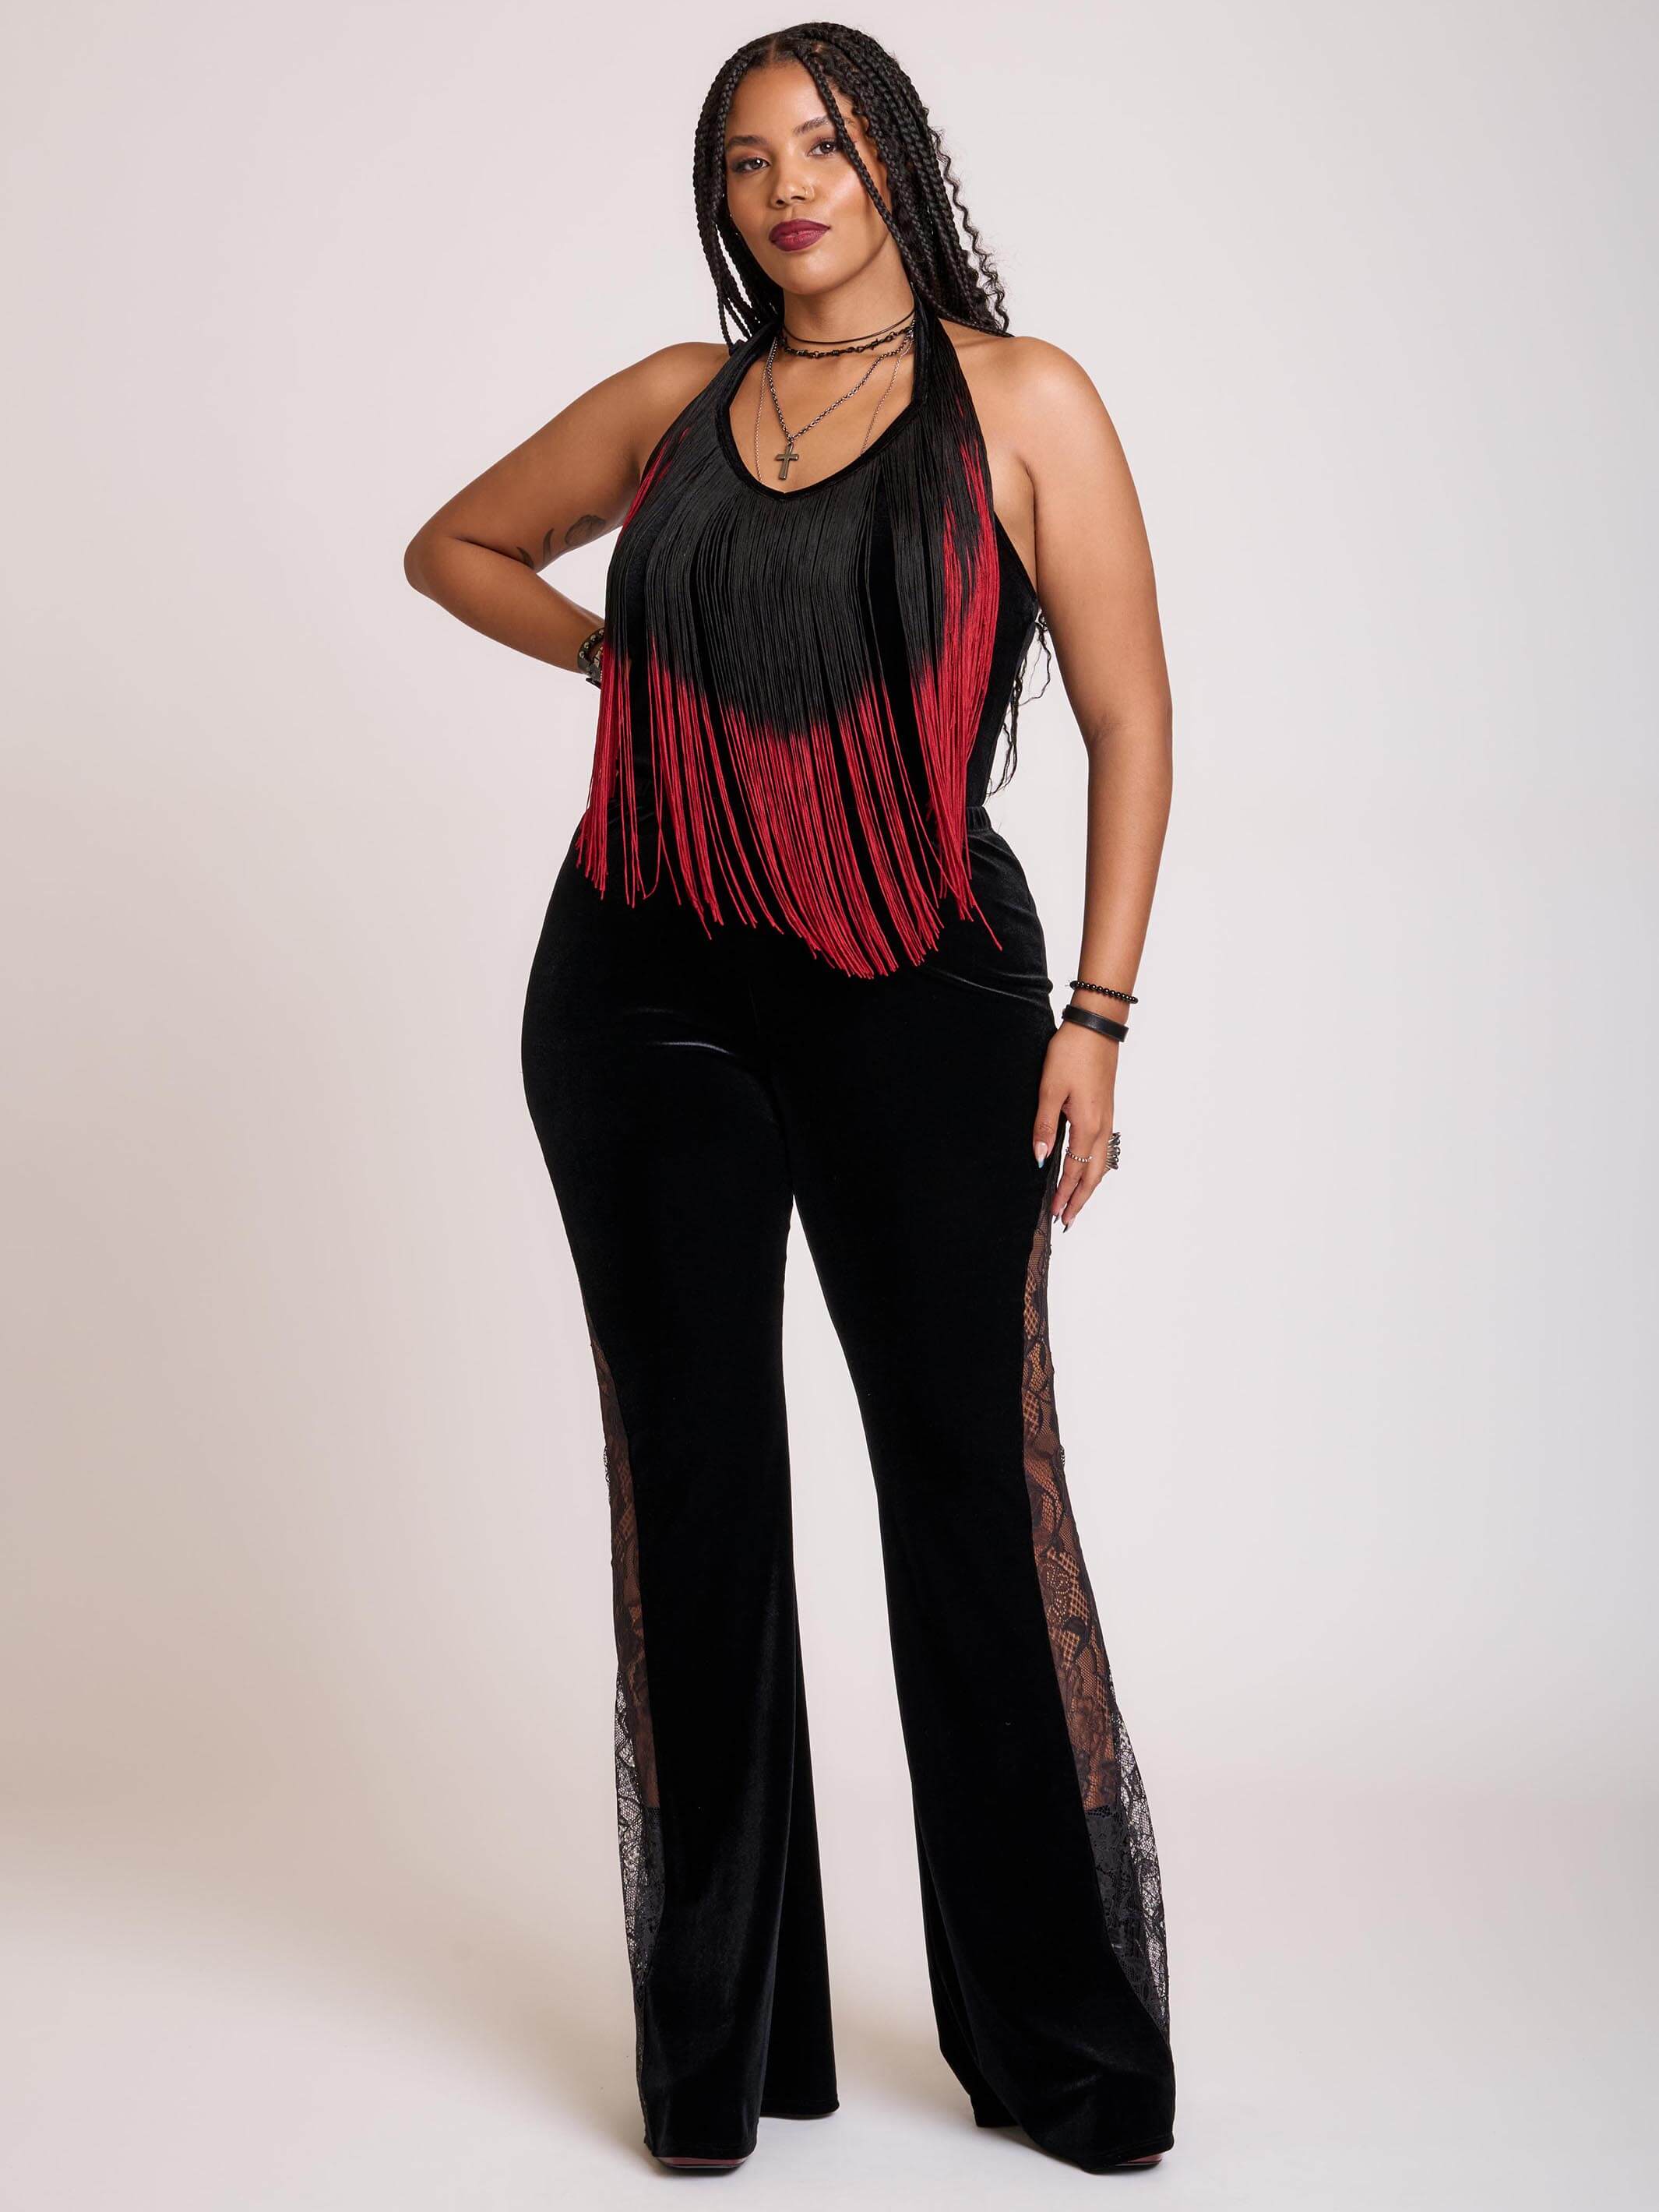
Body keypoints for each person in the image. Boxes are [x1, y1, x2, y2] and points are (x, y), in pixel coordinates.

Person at [403, 22, 1176, 2179]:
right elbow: (452, 548)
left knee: (968, 1490)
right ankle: (726, 2060)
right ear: (721, 200)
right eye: (746, 160)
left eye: (823, 144)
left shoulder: (1023, 403)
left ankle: (1060, 2048)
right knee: (696, 1496)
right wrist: (629, 665)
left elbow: (1128, 716)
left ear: (894, 160)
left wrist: (1098, 1014)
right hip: (635, 986)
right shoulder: (674, 402)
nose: (787, 187)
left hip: (923, 988)